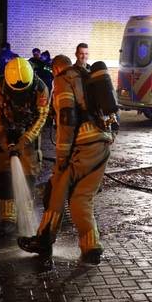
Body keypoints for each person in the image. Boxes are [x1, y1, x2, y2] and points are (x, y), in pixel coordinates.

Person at [18, 54, 114, 263]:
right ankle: (91, 247)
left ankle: (43, 241)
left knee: (57, 192)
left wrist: (62, 158)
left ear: (55, 70)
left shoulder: (63, 80)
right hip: (102, 144)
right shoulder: (88, 76)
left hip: (82, 147)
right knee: (81, 199)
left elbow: (67, 120)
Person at [0, 57, 49, 235]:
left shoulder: (40, 88)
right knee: (5, 174)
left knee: (29, 173)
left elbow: (42, 116)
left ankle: (27, 214)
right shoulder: (0, 84)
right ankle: (8, 217)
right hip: (6, 131)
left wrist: (26, 138)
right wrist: (2, 135)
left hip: (29, 134)